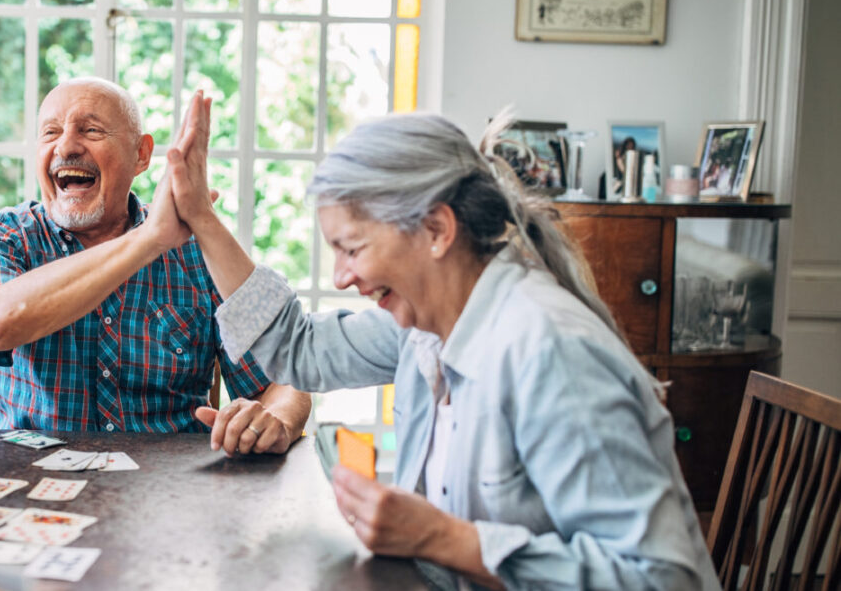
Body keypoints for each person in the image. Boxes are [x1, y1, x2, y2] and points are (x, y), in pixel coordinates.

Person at [162, 106, 720, 589]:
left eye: (352, 248)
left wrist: (441, 538)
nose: (340, 277)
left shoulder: (551, 354)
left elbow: (662, 578)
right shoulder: (425, 325)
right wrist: (202, 220)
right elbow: (299, 347)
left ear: (436, 230)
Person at [0, 78, 309, 455]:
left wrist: (277, 420)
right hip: (32, 485)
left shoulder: (200, 254)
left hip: (168, 491)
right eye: (50, 132)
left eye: (91, 130)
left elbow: (283, 379)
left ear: (141, 155)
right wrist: (149, 239)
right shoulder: (0, 236)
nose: (66, 145)